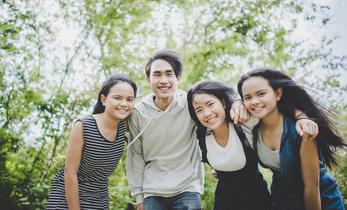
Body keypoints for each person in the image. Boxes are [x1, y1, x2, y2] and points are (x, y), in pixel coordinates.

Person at [126, 50, 248, 210]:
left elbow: (217, 112)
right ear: (148, 79)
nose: (163, 80)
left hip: (187, 189)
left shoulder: (190, 104)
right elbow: (136, 156)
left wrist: (238, 102)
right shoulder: (138, 113)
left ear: (178, 78)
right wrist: (139, 197)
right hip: (152, 192)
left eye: (169, 74)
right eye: (157, 75)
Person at [238, 68, 346, 210]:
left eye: (261, 94)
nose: (254, 102)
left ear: (277, 93)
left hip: (321, 200)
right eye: (248, 98)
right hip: (283, 200)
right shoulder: (253, 129)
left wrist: (301, 116)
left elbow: (312, 186)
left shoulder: (301, 130)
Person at [46, 74, 137, 210]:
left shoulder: (126, 125)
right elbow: (70, 173)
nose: (124, 104)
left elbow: (153, 106)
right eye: (117, 98)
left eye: (129, 99)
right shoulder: (84, 126)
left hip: (98, 199)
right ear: (104, 99)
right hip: (67, 197)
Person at [187, 80, 274, 210]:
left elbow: (276, 108)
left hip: (257, 200)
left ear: (223, 102)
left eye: (210, 104)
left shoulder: (243, 122)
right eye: (199, 110)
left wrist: (302, 118)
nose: (207, 113)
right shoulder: (202, 134)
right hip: (224, 202)